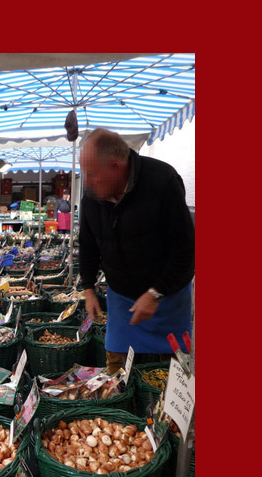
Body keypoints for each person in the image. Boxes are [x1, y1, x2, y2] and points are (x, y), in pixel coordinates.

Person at [78, 127, 194, 374]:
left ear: (116, 167)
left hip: (168, 298)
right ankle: (120, 408)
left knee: (172, 374)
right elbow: (87, 244)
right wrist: (88, 288)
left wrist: (155, 294)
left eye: (92, 174)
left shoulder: (163, 181)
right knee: (116, 371)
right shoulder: (92, 194)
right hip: (121, 299)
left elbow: (185, 251)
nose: (86, 182)